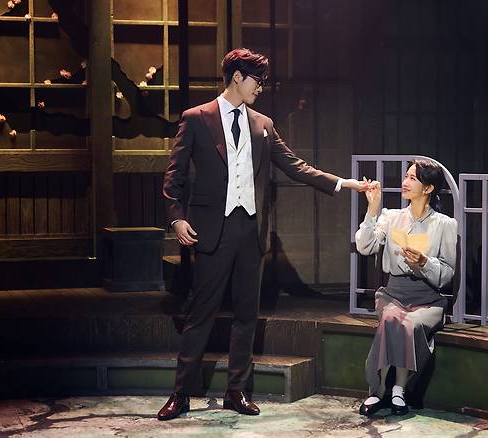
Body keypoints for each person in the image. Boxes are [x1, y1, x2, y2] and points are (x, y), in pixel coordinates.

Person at [158, 48, 366, 421]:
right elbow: (173, 178)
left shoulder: (263, 124)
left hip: (250, 230)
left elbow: (295, 165)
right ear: (237, 77)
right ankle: (181, 393)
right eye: (257, 80)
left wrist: (342, 183)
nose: (261, 88)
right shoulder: (196, 118)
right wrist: (176, 219)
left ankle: (236, 391)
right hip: (213, 229)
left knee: (246, 314)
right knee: (201, 312)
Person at [355, 159, 457, 416]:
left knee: (409, 323)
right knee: (391, 318)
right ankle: (379, 390)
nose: (405, 182)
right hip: (394, 294)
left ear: (428, 188)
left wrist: (424, 262)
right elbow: (365, 247)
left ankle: (399, 389)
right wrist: (372, 210)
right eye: (406, 176)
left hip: (427, 299)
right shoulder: (391, 217)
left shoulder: (444, 224)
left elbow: (447, 273)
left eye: (413, 178)